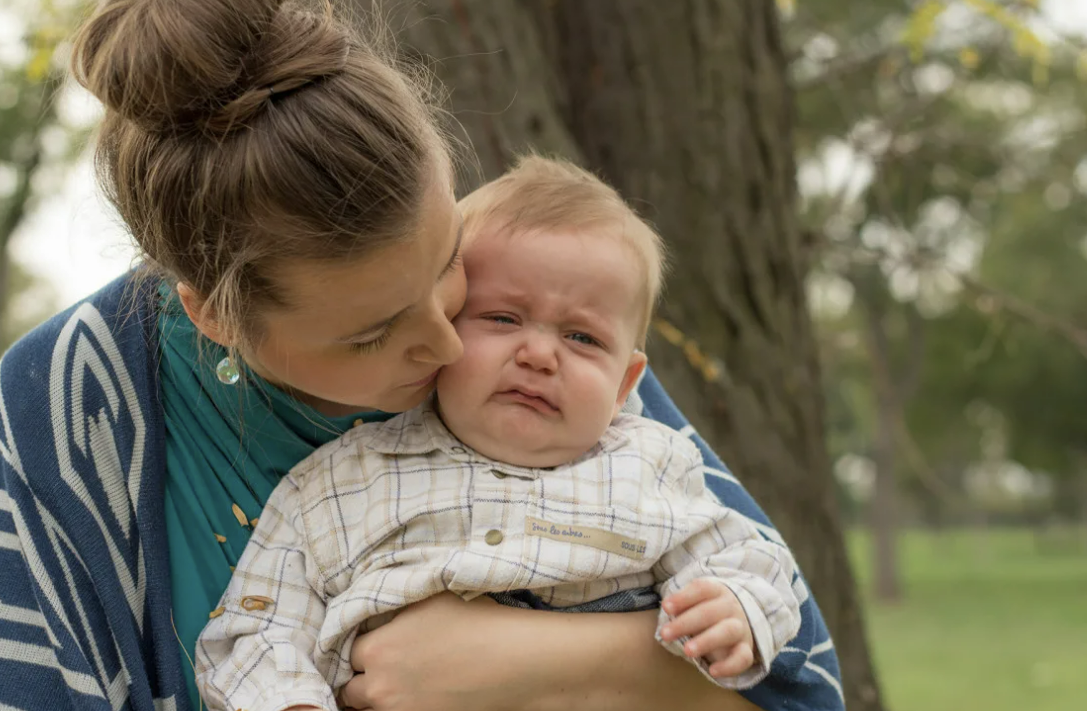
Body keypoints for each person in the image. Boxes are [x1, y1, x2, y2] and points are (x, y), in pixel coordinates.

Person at [0, 1, 843, 710]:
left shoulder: (547, 360)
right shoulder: (64, 417)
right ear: (217, 319)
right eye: (371, 332)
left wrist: (518, 659)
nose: (446, 342)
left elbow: (795, 678)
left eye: (450, 271)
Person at [195, 156, 803, 711]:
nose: (540, 354)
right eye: (502, 318)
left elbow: (750, 560)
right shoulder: (339, 481)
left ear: (626, 384)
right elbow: (256, 629)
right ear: (441, 331)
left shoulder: (653, 462)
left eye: (582, 337)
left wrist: (736, 608)